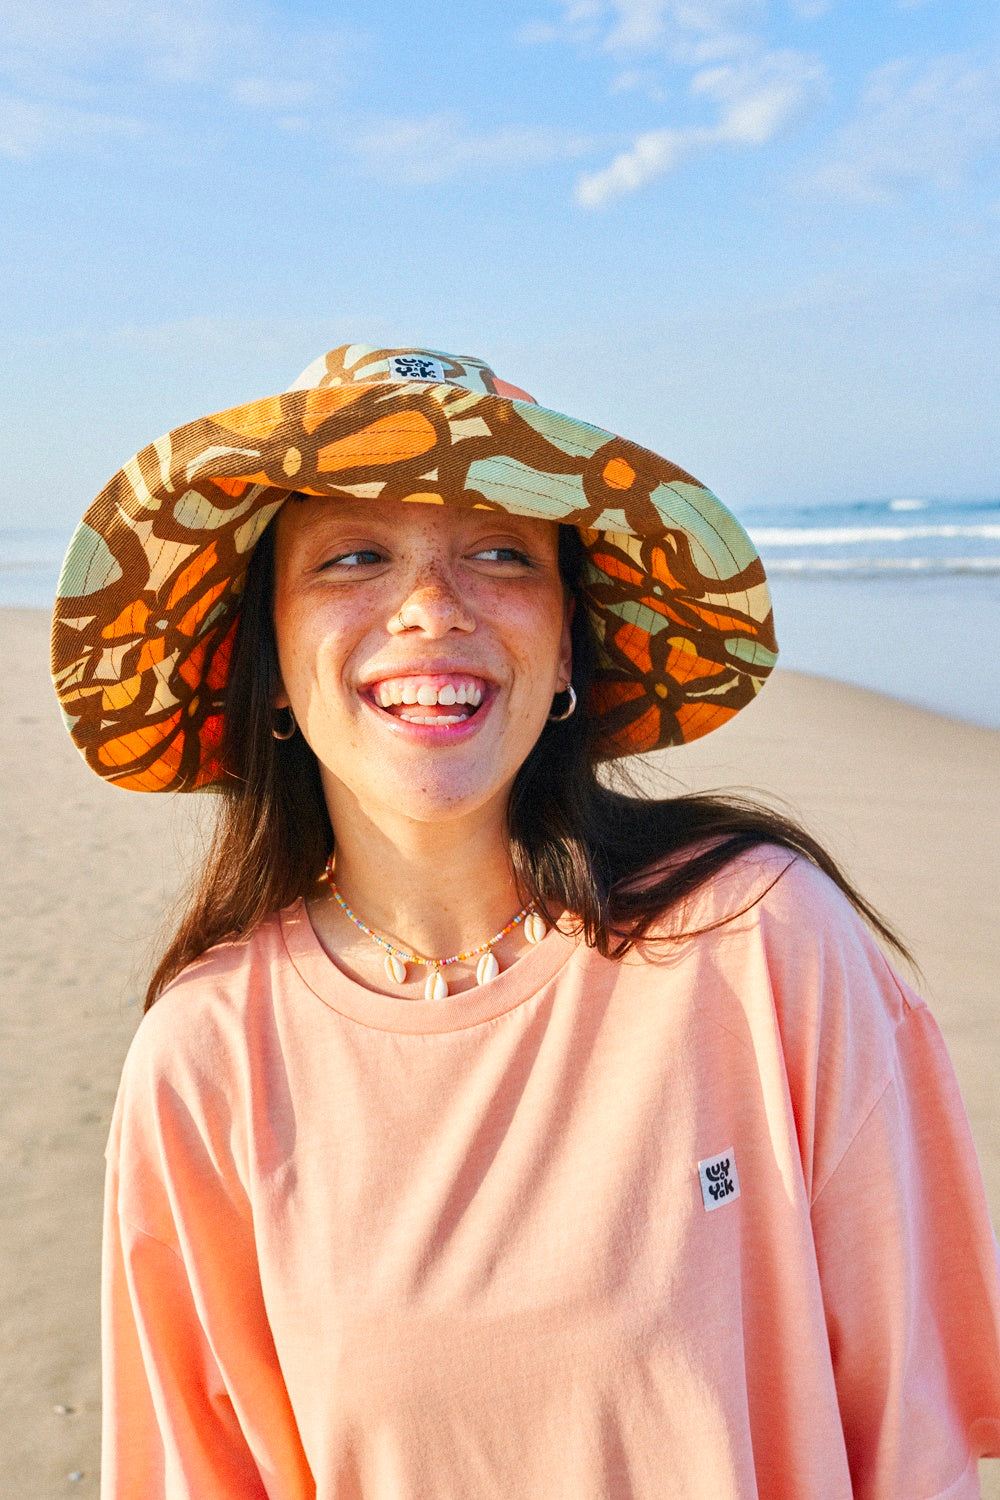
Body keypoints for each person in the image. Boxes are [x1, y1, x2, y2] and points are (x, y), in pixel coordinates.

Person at [52, 343, 1000, 1498]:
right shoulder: (207, 1057)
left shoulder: (760, 941)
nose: (430, 608)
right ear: (273, 665)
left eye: (499, 553)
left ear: (564, 648)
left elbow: (914, 1447)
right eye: (355, 556)